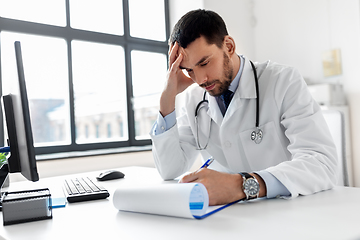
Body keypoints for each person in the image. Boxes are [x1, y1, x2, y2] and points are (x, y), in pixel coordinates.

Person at [150, 9, 337, 206]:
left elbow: (321, 163)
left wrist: (241, 186)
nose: (200, 79)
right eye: (189, 70)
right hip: (231, 218)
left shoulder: (282, 81)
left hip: (290, 209)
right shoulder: (193, 100)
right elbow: (170, 169)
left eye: (204, 63)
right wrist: (167, 100)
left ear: (229, 46)